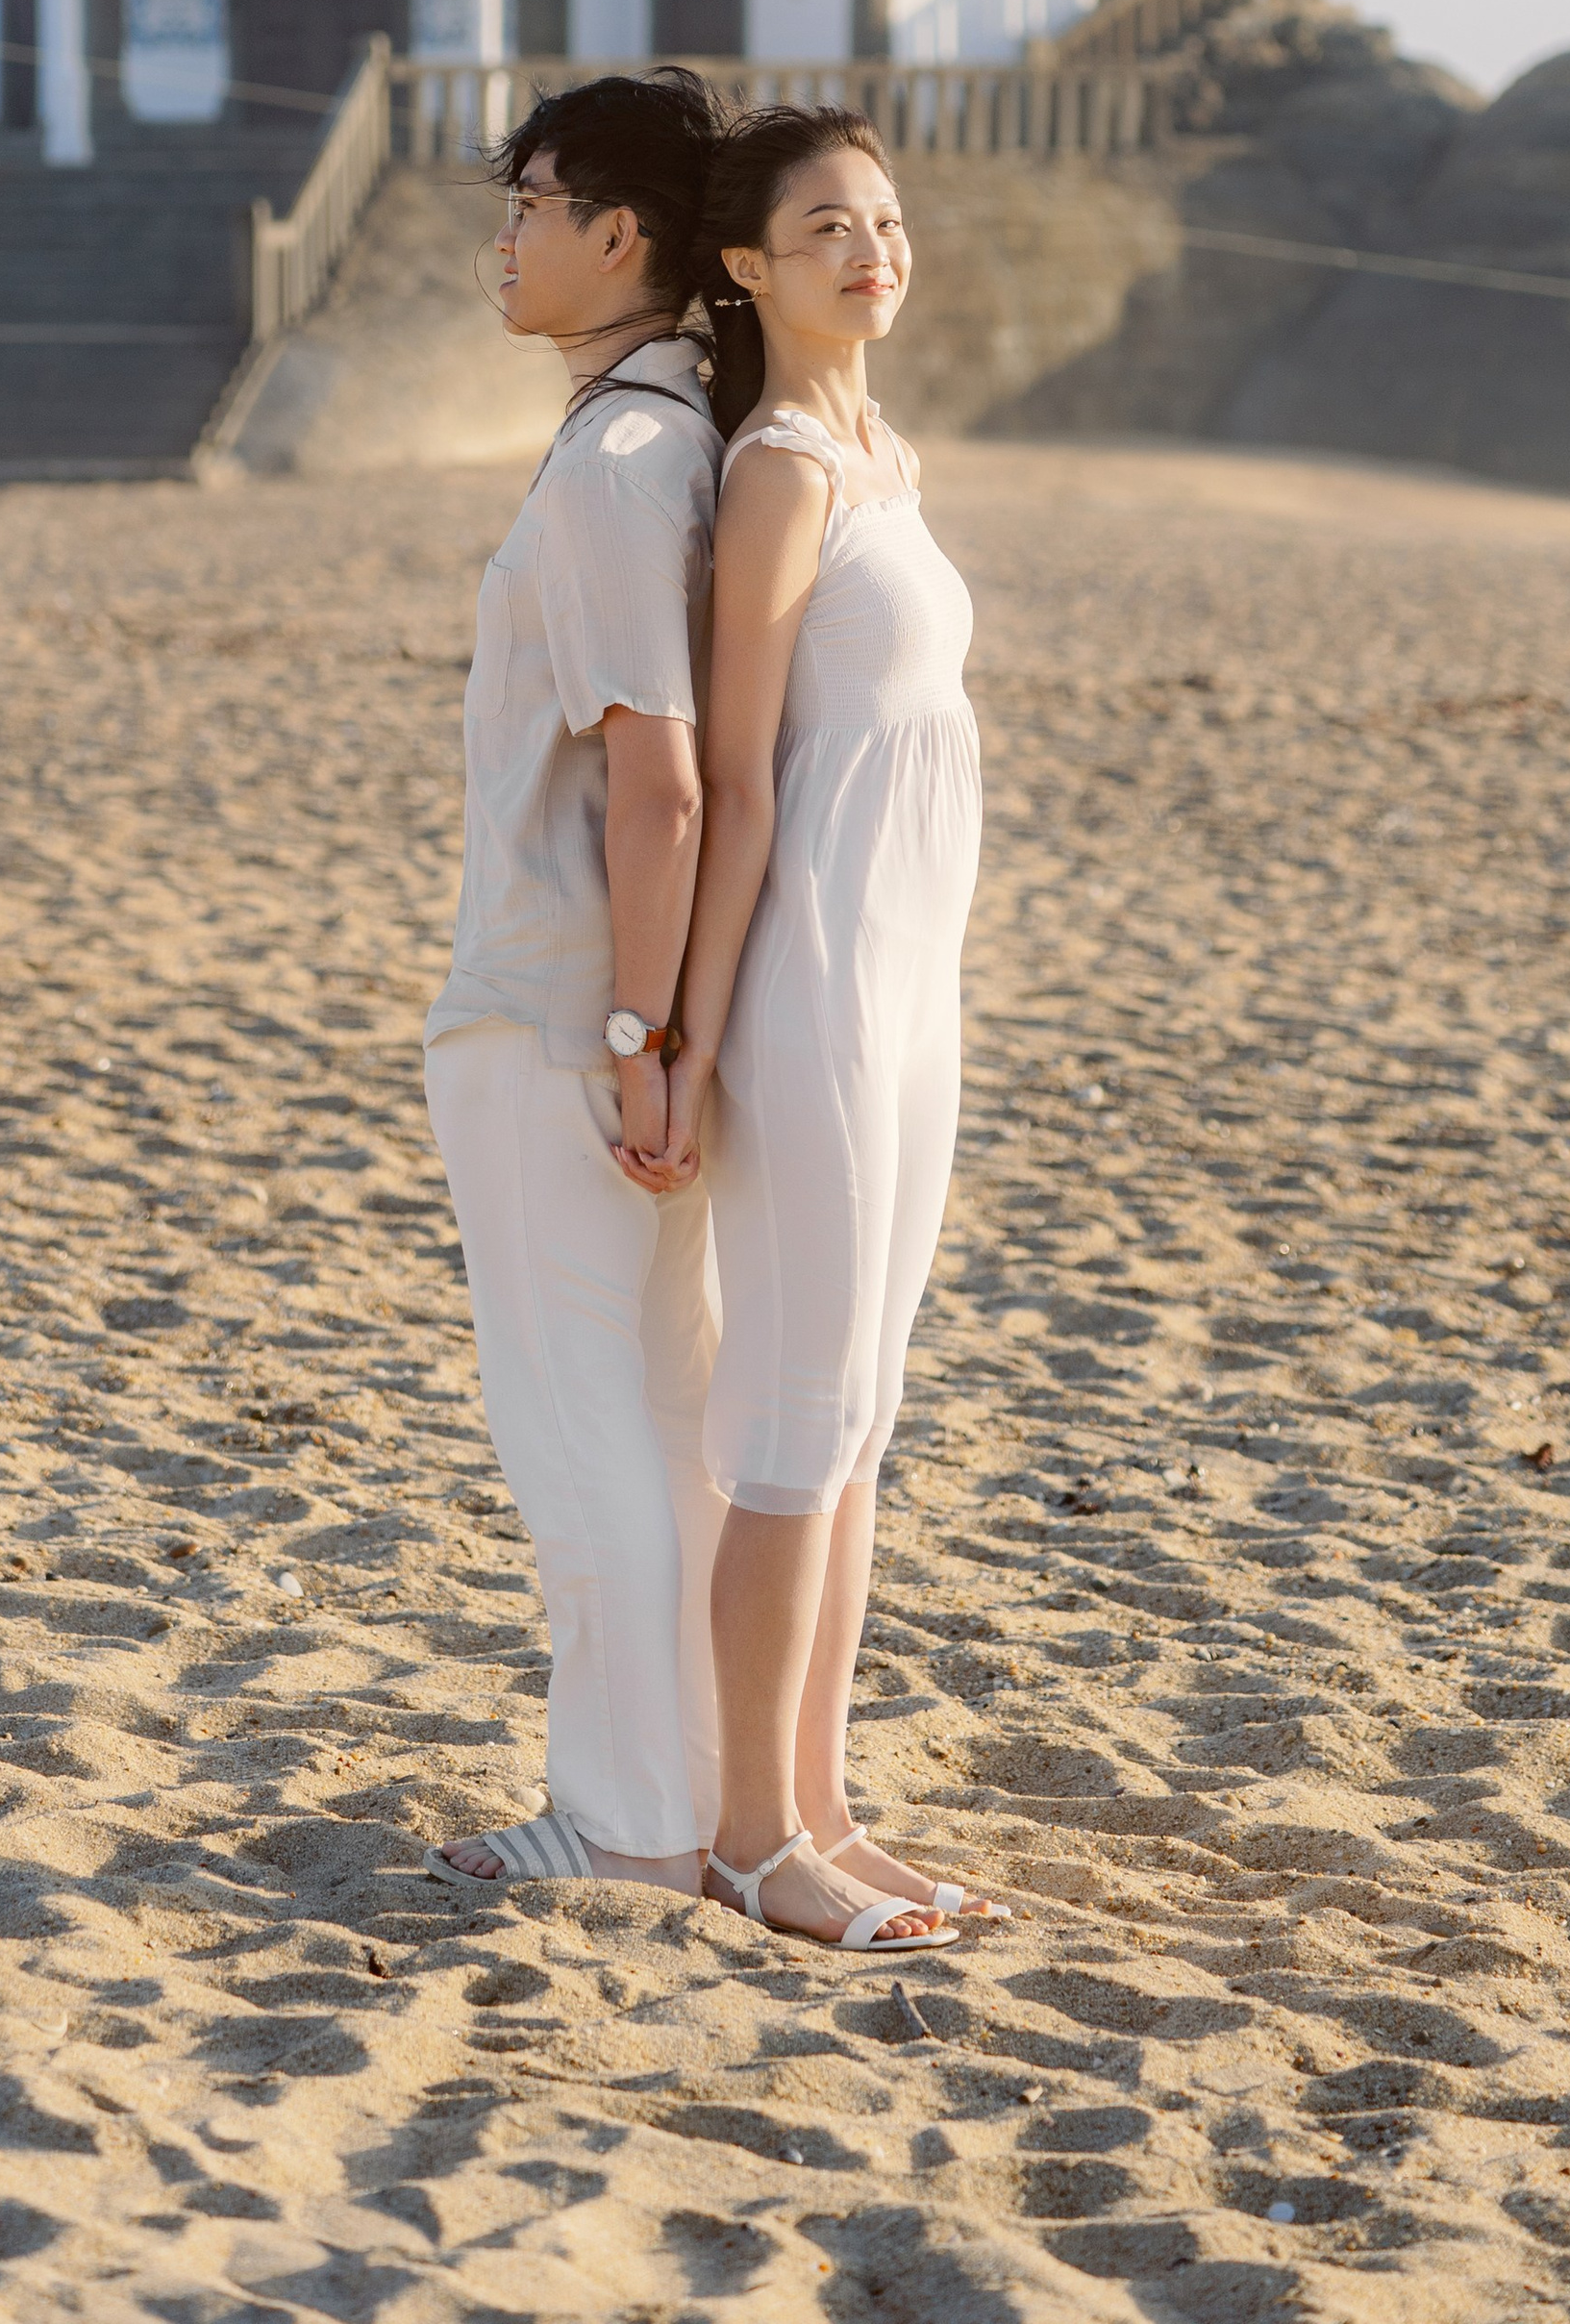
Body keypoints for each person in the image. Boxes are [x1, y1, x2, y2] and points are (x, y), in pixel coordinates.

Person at [662, 107, 998, 1951]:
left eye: (885, 221)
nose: (874, 253)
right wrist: (687, 1038)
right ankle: (746, 1840)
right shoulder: (782, 472)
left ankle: (822, 1810)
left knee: (860, 1416)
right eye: (827, 231)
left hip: (911, 989)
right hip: (812, 993)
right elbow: (736, 781)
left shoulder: (886, 455)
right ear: (748, 267)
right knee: (798, 1420)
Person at [423, 71, 728, 1896]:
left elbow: (658, 782)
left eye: (531, 202)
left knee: (577, 1424)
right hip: (622, 1015)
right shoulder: (681, 435)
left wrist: (635, 1033)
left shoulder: (623, 463)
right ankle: (682, 1801)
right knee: (666, 1419)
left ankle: (621, 1824)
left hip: (562, 1011)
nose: (507, 237)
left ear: (620, 235)